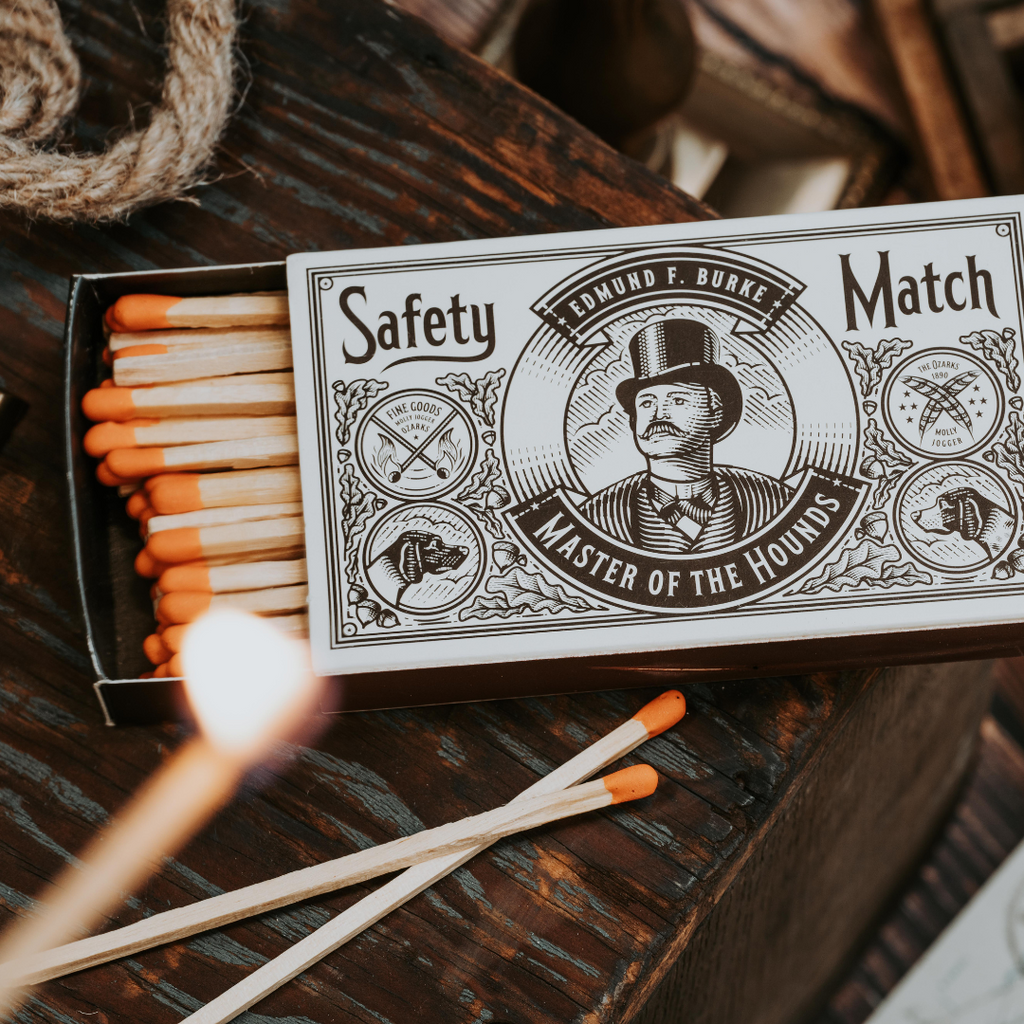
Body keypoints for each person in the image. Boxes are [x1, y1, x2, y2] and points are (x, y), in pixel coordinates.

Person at [580, 318, 792, 554]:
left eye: (678, 400)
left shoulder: (773, 500)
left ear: (715, 413)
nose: (659, 415)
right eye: (647, 403)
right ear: (634, 420)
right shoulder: (596, 514)